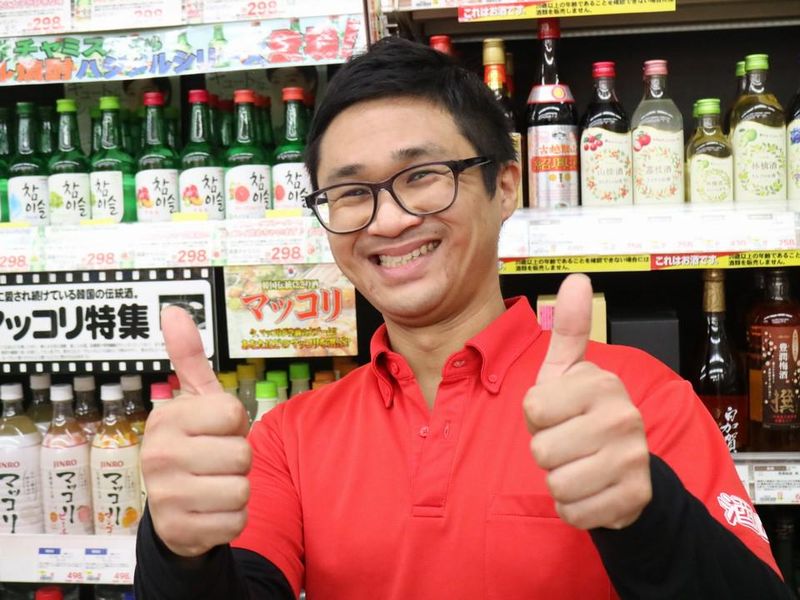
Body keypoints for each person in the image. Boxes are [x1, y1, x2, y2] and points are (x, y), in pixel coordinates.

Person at [135, 37, 792, 599]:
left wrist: (648, 510)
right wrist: (180, 553)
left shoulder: (637, 401)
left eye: (422, 175)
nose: (388, 220)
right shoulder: (289, 437)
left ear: (504, 186)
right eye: (351, 192)